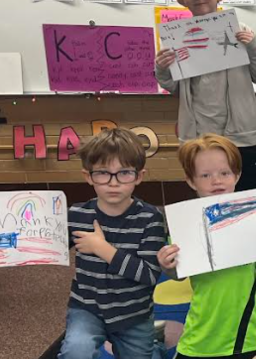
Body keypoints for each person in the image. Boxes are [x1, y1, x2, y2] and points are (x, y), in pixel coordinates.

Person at [154, 0, 256, 297]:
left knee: (253, 199)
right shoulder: (177, 37)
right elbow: (170, 84)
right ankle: (214, 264)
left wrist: (251, 45)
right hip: (198, 136)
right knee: (208, 200)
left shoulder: (241, 29)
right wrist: (161, 68)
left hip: (241, 133)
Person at [157, 135, 256, 359]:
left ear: (236, 176)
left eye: (224, 173)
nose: (216, 181)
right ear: (191, 181)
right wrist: (167, 265)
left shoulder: (251, 217)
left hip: (255, 328)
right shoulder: (186, 224)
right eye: (205, 175)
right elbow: (177, 274)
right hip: (205, 332)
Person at [60, 129, 166, 359]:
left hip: (133, 313)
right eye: (102, 173)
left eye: (124, 173)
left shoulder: (150, 219)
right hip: (87, 308)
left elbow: (150, 275)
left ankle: (154, 346)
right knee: (75, 351)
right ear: (88, 176)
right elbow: (52, 249)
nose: (113, 183)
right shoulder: (76, 215)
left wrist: (103, 249)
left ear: (139, 176)